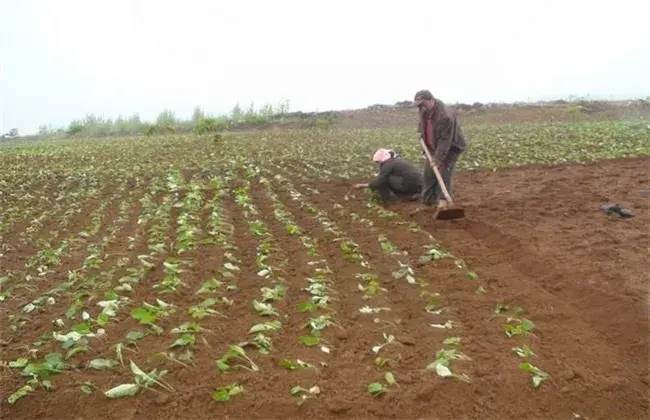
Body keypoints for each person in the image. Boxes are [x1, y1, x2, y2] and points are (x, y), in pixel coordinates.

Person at [413, 89, 468, 210]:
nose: (421, 107)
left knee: (443, 172)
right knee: (428, 173)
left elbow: (445, 141)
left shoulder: (445, 116)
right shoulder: (424, 110)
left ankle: (443, 201)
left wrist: (437, 159)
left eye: (423, 104)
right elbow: (422, 125)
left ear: (431, 100)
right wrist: (421, 133)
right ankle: (427, 201)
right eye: (419, 105)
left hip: (451, 147)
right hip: (432, 147)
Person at [353, 148, 423, 204]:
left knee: (384, 180)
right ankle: (410, 195)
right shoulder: (397, 160)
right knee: (390, 178)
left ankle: (388, 202)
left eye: (378, 162)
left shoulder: (388, 164)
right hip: (420, 185)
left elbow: (380, 180)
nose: (378, 164)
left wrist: (363, 185)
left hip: (409, 185)